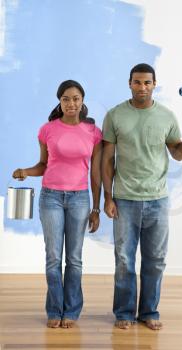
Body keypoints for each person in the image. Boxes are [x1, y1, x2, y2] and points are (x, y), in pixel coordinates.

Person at [102, 63, 182, 330]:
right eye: (137, 82)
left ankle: (149, 312)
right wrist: (107, 198)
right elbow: (107, 160)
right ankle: (124, 313)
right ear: (129, 83)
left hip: (157, 199)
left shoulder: (166, 116)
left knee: (155, 260)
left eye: (147, 83)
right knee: (124, 259)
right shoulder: (115, 115)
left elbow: (177, 154)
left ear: (154, 84)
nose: (142, 87)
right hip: (124, 199)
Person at [12, 80, 102, 328]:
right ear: (59, 102)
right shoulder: (47, 130)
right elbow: (43, 165)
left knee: (74, 258)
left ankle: (71, 311)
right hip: (50, 197)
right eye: (65, 99)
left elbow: (95, 174)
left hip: (80, 199)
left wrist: (96, 208)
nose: (71, 103)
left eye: (75, 98)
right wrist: (25, 171)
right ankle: (54, 309)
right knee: (53, 257)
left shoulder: (93, 133)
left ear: (82, 100)